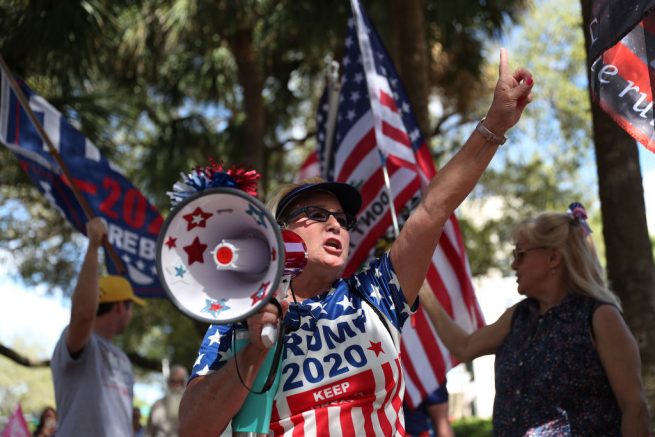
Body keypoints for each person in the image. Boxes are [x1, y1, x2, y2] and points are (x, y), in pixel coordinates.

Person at [179, 48, 534, 436]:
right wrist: (253, 351)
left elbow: (433, 209)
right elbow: (194, 428)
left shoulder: (375, 293)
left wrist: (494, 125)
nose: (335, 225)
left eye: (343, 220)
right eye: (316, 215)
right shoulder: (240, 320)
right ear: (277, 233)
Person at [419, 205, 651, 435]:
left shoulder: (600, 316)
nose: (513, 265)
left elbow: (635, 408)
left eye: (520, 254)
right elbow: (464, 347)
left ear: (553, 258)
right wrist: (424, 292)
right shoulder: (518, 316)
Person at [51, 217, 145, 436]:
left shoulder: (121, 357)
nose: (132, 315)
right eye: (131, 307)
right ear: (121, 307)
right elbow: (84, 314)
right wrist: (93, 246)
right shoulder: (81, 343)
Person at [146, 365, 189, 437]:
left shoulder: (192, 407)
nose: (177, 385)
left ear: (186, 383)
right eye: (173, 381)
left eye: (180, 382)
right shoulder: (157, 405)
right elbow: (149, 432)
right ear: (168, 382)